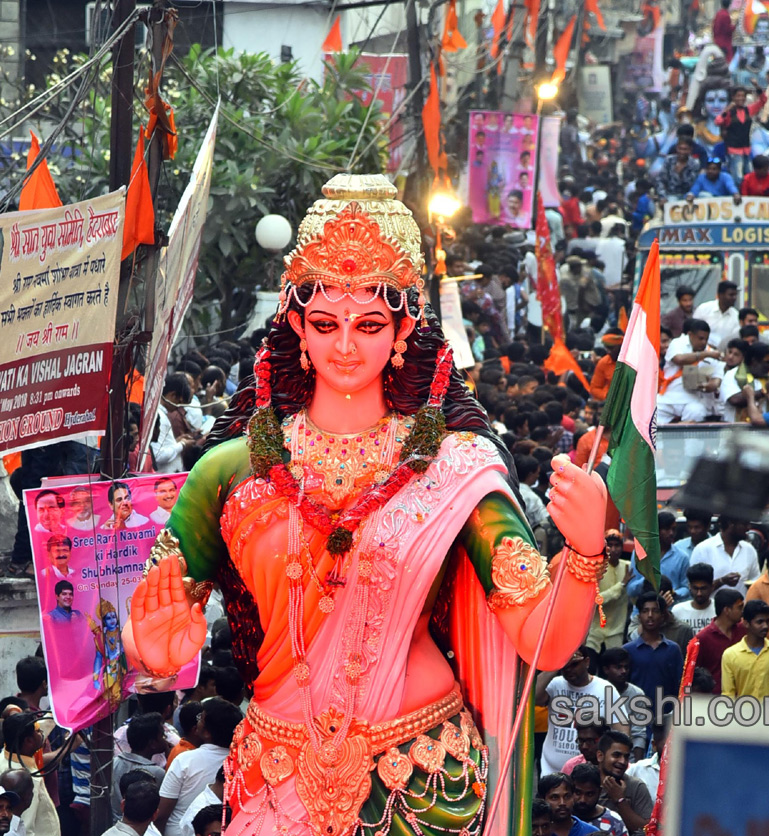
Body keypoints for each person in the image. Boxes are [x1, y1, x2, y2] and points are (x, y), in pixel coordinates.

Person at [124, 175, 609, 836]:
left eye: (370, 323)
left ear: (404, 326)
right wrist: (151, 645)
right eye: (325, 323)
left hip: (422, 772)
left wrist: (583, 554)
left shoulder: (454, 466)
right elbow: (156, 631)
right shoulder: (229, 471)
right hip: (278, 769)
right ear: (295, 323)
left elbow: (545, 643)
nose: (346, 345)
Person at [155, 699, 242, 836]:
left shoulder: (185, 760)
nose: (197, 721)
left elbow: (162, 813)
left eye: (200, 718)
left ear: (207, 732)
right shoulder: (240, 763)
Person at [537, 650, 614, 775]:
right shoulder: (556, 684)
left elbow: (621, 729)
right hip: (551, 771)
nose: (569, 670)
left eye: (574, 664)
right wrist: (557, 664)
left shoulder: (605, 688)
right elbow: (534, 697)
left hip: (588, 774)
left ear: (587, 662)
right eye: (566, 666)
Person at [0, 713, 58, 836]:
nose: (41, 734)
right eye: (38, 732)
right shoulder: (22, 779)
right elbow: (25, 827)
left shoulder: (4, 757)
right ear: (28, 741)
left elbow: (39, 727)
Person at [623, 593, 684, 708]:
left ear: (662, 616)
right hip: (637, 715)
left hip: (667, 715)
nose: (650, 615)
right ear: (639, 616)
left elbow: (680, 685)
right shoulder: (628, 650)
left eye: (655, 611)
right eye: (645, 611)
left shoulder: (672, 649)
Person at [657, 319, 723, 425]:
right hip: (669, 398)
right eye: (700, 338)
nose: (704, 342)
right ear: (690, 335)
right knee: (650, 416)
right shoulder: (677, 343)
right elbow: (679, 359)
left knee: (697, 411)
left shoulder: (712, 353)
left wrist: (706, 386)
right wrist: (704, 354)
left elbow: (716, 382)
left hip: (693, 400)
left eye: (706, 339)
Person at [720, 600, 769, 699]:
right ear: (746, 623)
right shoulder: (730, 655)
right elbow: (728, 694)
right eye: (759, 622)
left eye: (767, 621)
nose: (765, 626)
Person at [111, 713, 169, 822]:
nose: (165, 739)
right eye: (162, 736)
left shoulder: (115, 763)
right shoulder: (157, 773)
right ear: (152, 743)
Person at [596, 732, 654, 835]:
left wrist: (620, 801)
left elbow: (648, 830)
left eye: (626, 757)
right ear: (600, 756)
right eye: (616, 755)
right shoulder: (587, 784)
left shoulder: (636, 787)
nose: (623, 761)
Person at [627, 511, 691, 602]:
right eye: (667, 529)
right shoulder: (640, 554)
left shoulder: (682, 557)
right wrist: (647, 579)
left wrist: (674, 593)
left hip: (670, 612)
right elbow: (630, 590)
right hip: (643, 612)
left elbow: (686, 588)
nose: (671, 533)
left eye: (673, 529)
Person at [692, 588, 746, 694]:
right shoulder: (702, 638)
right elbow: (695, 673)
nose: (742, 612)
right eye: (739, 608)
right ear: (727, 610)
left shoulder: (744, 631)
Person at [689, 517, 761, 595]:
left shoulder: (749, 550)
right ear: (731, 524)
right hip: (712, 606)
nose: (748, 528)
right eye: (744, 524)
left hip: (741, 606)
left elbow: (755, 581)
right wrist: (722, 581)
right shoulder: (702, 549)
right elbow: (695, 590)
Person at [587, 531, 632, 652]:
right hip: (595, 634)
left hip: (616, 632)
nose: (613, 549)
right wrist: (621, 585)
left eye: (617, 545)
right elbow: (595, 601)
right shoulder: (596, 569)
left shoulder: (628, 567)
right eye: (609, 545)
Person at [569, 763, 629, 835]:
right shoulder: (562, 818)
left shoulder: (613, 821)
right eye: (578, 793)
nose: (583, 800)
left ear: (599, 792)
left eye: (589, 794)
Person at [671, 563, 716, 638]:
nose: (699, 593)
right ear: (689, 587)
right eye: (695, 588)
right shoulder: (678, 611)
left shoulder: (718, 609)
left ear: (712, 587)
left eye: (703, 588)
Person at [693, 280, 740, 350]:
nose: (734, 298)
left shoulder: (736, 316)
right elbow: (693, 332)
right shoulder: (703, 309)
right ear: (720, 295)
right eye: (731, 295)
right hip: (700, 351)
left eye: (735, 295)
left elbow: (734, 341)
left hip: (723, 354)